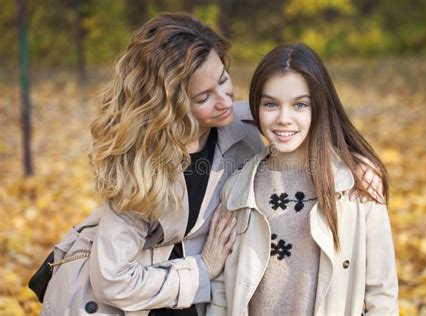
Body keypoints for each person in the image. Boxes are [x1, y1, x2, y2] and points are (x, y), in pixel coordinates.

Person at [39, 13, 383, 316]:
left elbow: (296, 119)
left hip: (194, 299)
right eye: (203, 97)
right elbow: (112, 281)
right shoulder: (139, 165)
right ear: (168, 107)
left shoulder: (241, 127)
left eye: (223, 80)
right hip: (121, 303)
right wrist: (203, 269)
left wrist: (350, 165)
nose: (225, 102)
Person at [207, 44, 398, 316]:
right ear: (255, 107)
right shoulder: (237, 191)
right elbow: (222, 295)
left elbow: (382, 294)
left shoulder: (354, 185)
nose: (284, 119)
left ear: (319, 106)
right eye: (271, 104)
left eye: (300, 104)